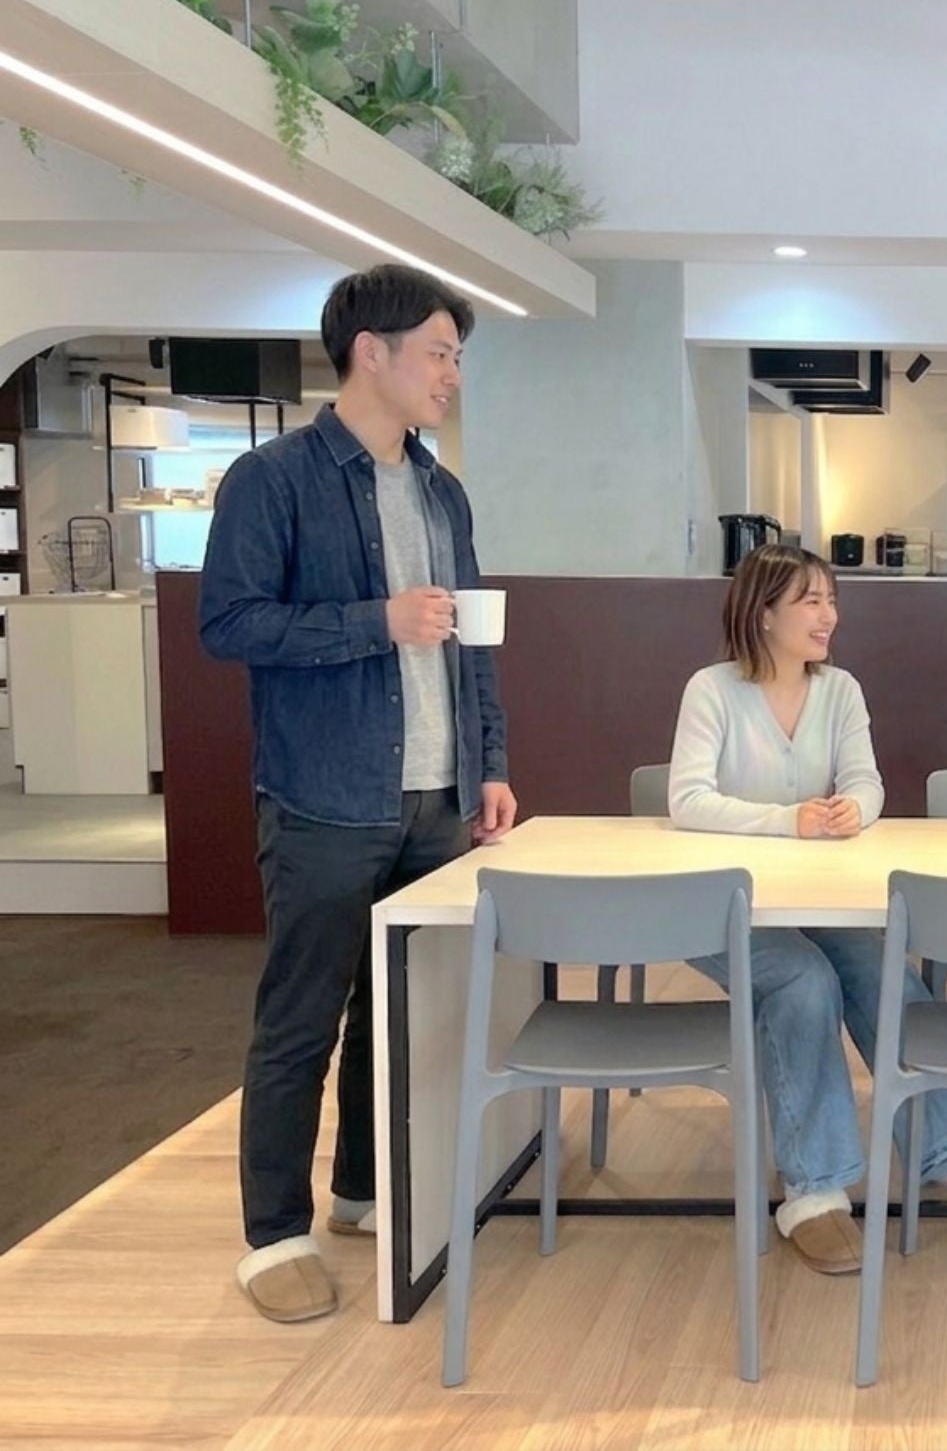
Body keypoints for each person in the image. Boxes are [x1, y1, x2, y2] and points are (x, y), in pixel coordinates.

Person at [200, 265, 516, 1323]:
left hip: (438, 799)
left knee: (401, 1013)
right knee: (302, 1019)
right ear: (370, 352)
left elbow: (470, 643)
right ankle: (272, 1235)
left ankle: (365, 1189)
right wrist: (372, 622)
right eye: (440, 353)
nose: (452, 376)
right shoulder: (273, 479)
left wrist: (489, 763)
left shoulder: (440, 491)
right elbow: (228, 624)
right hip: (325, 798)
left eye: (456, 357)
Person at [666, 543, 947, 1274]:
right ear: (764, 614)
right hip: (715, 904)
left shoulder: (840, 690)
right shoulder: (712, 690)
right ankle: (814, 1186)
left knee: (881, 971)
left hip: (810, 895)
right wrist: (788, 820)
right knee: (802, 981)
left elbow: (867, 781)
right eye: (811, 601)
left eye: (831, 599)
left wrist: (855, 808)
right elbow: (687, 800)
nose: (829, 615)